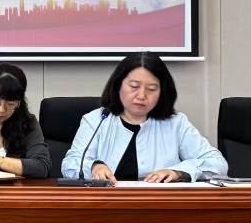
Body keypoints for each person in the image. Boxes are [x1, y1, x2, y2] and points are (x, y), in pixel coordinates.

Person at [61, 51, 228, 184]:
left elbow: (217, 163)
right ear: (118, 86)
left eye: (151, 89)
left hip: (161, 207)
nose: (141, 95)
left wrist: (177, 172)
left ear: (162, 92)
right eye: (134, 86)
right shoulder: (97, 120)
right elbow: (70, 164)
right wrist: (94, 167)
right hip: (105, 206)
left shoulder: (176, 123)